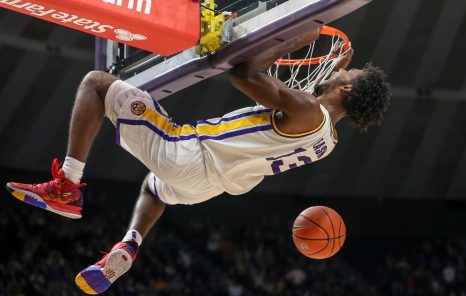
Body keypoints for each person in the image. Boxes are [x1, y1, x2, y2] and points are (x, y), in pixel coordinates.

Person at [5, 27, 391, 294]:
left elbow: (244, 75)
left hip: (190, 154)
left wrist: (296, 38)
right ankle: (129, 244)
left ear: (347, 87)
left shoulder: (307, 109)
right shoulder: (329, 139)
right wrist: (324, 61)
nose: (341, 66)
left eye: (347, 71)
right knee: (154, 190)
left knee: (96, 83)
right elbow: (296, 105)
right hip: (209, 187)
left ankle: (68, 186)